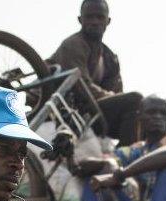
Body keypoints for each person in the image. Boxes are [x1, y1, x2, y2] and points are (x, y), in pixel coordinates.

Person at [48, 0, 143, 144]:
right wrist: (111, 96)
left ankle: (127, 157)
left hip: (93, 113)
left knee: (146, 116)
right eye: (89, 17)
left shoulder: (110, 57)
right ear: (80, 20)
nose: (94, 22)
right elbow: (81, 86)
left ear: (108, 21)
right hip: (69, 110)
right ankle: (125, 157)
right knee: (135, 99)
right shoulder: (73, 44)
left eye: (100, 17)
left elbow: (117, 94)